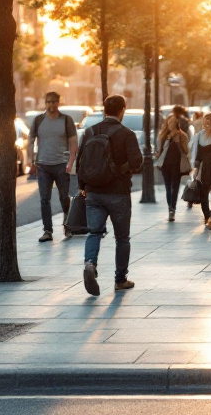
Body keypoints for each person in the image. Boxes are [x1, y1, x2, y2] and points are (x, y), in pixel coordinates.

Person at [78, 95, 143, 296]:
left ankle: (90, 263)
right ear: (122, 110)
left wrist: (84, 186)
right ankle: (120, 280)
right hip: (118, 193)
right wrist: (121, 171)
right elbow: (137, 162)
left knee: (94, 232)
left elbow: (81, 162)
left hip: (93, 192)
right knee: (122, 238)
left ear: (103, 109)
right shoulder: (126, 134)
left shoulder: (90, 132)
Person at [27, 91, 78, 243]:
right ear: (45, 103)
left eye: (54, 102)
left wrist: (70, 162)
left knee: (64, 197)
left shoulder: (66, 120)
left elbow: (73, 142)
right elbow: (30, 140)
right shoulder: (38, 120)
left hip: (61, 165)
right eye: (48, 102)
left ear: (58, 103)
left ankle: (67, 226)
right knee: (44, 199)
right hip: (43, 165)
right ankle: (47, 231)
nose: (51, 105)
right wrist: (30, 161)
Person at [154, 105, 191, 221]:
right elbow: (159, 151)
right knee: (168, 187)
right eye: (168, 122)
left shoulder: (182, 135)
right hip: (166, 165)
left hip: (177, 165)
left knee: (175, 187)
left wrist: (179, 142)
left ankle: (172, 210)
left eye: (172, 122)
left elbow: (186, 151)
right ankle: (170, 207)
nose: (169, 124)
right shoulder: (163, 136)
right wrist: (158, 153)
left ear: (176, 123)